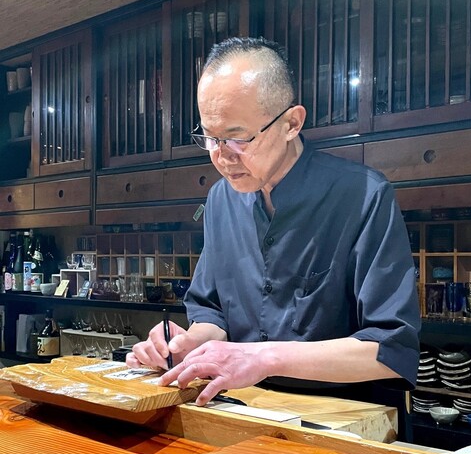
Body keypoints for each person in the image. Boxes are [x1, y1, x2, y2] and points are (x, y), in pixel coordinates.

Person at [126, 37, 420, 405]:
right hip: (242, 407)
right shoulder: (220, 199)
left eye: (238, 139)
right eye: (211, 138)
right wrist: (189, 344)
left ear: (291, 123)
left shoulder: (363, 196)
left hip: (339, 417)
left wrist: (264, 358)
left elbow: (391, 349)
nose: (222, 157)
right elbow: (213, 312)